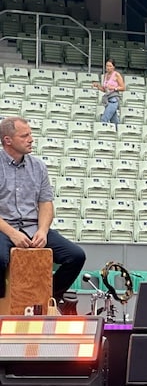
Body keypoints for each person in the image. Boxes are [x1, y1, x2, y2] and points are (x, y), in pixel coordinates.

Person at [0, 116, 86, 314]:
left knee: (75, 256)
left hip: (32, 226)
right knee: (0, 258)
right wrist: (13, 233)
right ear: (8, 140)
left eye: (30, 134)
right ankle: (3, 300)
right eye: (25, 135)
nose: (31, 139)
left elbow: (46, 203)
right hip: (4, 228)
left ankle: (49, 295)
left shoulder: (38, 166)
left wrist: (43, 230)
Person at [92, 58, 125, 125]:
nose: (108, 68)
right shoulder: (105, 75)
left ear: (113, 67)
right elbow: (105, 89)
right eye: (107, 66)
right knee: (114, 121)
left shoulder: (117, 75)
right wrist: (98, 86)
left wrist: (114, 88)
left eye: (110, 66)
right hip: (108, 99)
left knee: (104, 118)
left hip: (114, 99)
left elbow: (123, 87)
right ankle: (117, 131)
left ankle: (102, 131)